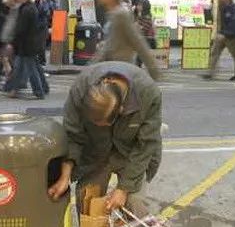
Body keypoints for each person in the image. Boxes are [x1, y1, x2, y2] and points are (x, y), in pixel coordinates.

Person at [48, 61, 162, 218]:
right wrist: (65, 176)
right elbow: (73, 135)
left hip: (131, 153)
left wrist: (123, 189)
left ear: (121, 111)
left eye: (100, 123)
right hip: (96, 151)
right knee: (87, 202)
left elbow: (145, 146)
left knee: (135, 203)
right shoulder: (80, 89)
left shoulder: (148, 93)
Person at [93, 0, 161, 81]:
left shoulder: (121, 14)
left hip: (121, 72)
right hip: (111, 71)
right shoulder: (112, 14)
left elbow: (138, 42)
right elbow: (111, 44)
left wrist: (153, 71)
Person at [0, 0, 48, 99]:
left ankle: (39, 92)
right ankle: (12, 89)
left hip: (27, 45)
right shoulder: (27, 7)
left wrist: (12, 42)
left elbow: (21, 29)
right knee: (21, 69)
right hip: (27, 44)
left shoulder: (27, 9)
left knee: (31, 70)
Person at [204, 0, 235, 81]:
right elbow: (222, 22)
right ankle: (210, 73)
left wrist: (225, 33)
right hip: (222, 35)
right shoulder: (223, 6)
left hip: (231, 36)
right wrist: (220, 32)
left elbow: (234, 23)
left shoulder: (234, 8)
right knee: (214, 53)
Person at [34, 0, 51, 66]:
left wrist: (41, 3)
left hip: (42, 27)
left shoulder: (44, 3)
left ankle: (42, 61)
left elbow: (45, 12)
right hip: (36, 27)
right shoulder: (33, 3)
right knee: (37, 45)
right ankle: (38, 61)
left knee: (41, 46)